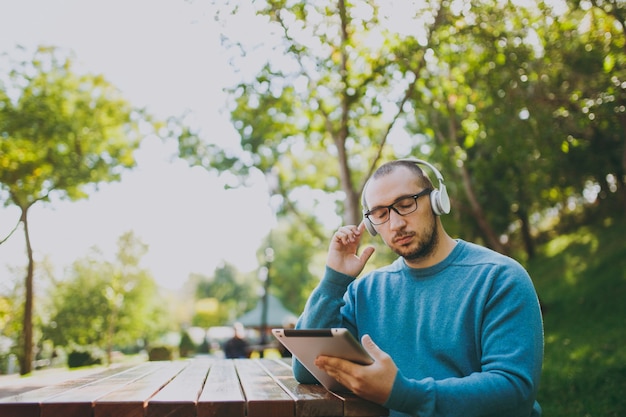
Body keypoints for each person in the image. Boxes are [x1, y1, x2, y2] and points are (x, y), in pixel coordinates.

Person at [293, 159, 544, 417]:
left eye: (405, 205)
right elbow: (307, 370)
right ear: (371, 225)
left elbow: (515, 393)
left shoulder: (500, 277)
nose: (395, 224)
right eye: (380, 214)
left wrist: (403, 394)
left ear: (437, 201)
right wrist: (334, 280)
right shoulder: (365, 291)